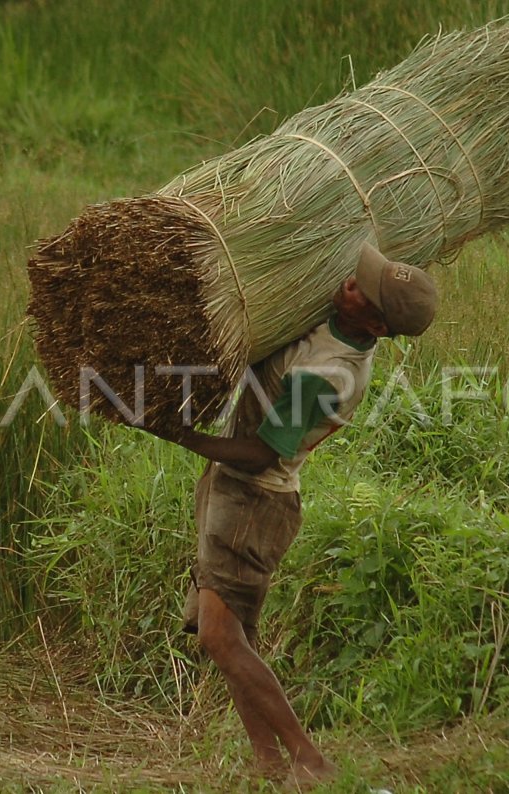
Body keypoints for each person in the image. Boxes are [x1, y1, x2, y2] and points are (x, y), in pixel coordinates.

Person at [145, 242, 438, 787]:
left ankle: (311, 760)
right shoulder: (328, 320)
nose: (348, 282)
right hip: (232, 489)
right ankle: (268, 761)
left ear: (375, 322)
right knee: (232, 639)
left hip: (257, 500)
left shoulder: (328, 374)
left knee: (220, 638)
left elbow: (263, 453)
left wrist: (178, 434)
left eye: (359, 288)